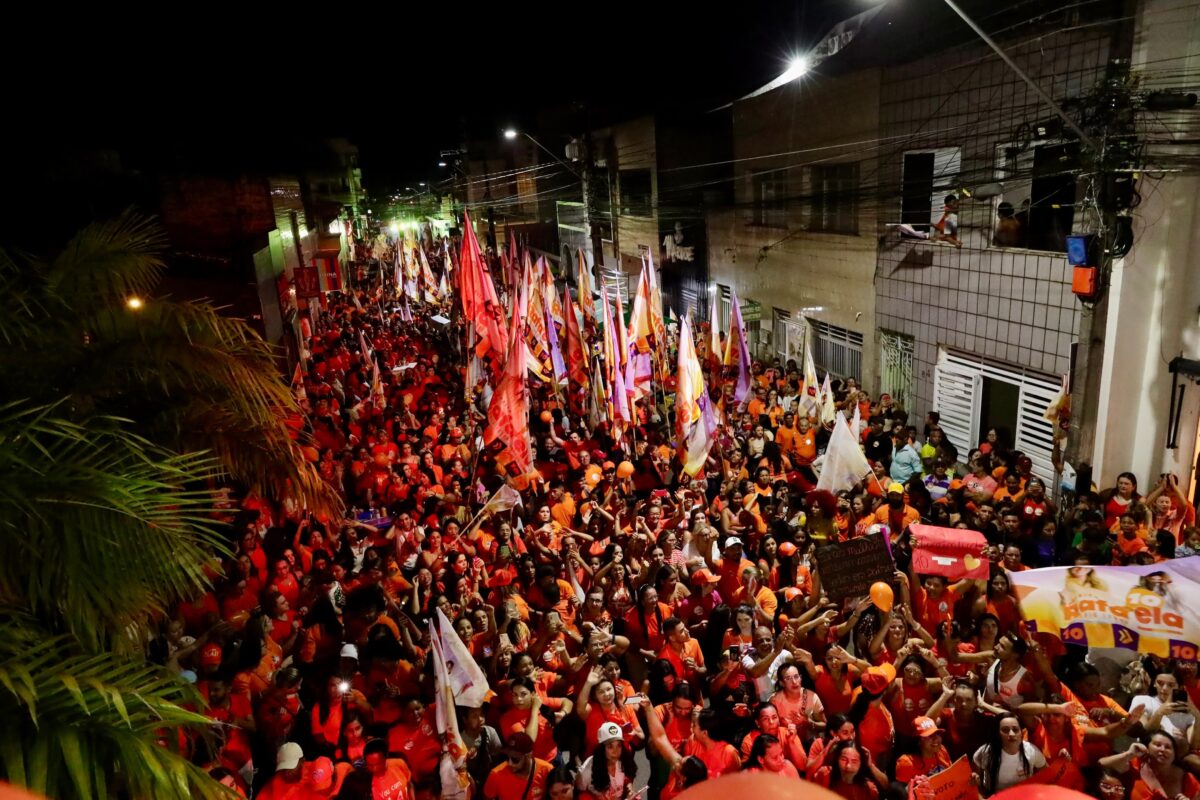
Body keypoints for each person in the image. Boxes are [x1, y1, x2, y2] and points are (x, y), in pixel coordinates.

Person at [971, 713, 1046, 796]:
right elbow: (975, 783)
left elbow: (1048, 774)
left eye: (1015, 730)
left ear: (1021, 732)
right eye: (1005, 730)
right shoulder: (985, 752)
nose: (1011, 734)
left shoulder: (1032, 751)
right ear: (997, 734)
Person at [576, 722, 638, 800]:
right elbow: (579, 793)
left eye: (619, 745)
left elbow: (627, 779)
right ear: (602, 749)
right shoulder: (586, 771)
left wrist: (629, 787)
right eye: (610, 747)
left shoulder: (624, 760)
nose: (616, 752)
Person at [484, 733, 553, 800]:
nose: (510, 764)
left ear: (529, 755)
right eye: (507, 758)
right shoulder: (496, 775)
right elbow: (487, 797)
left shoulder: (547, 770)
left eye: (515, 759)